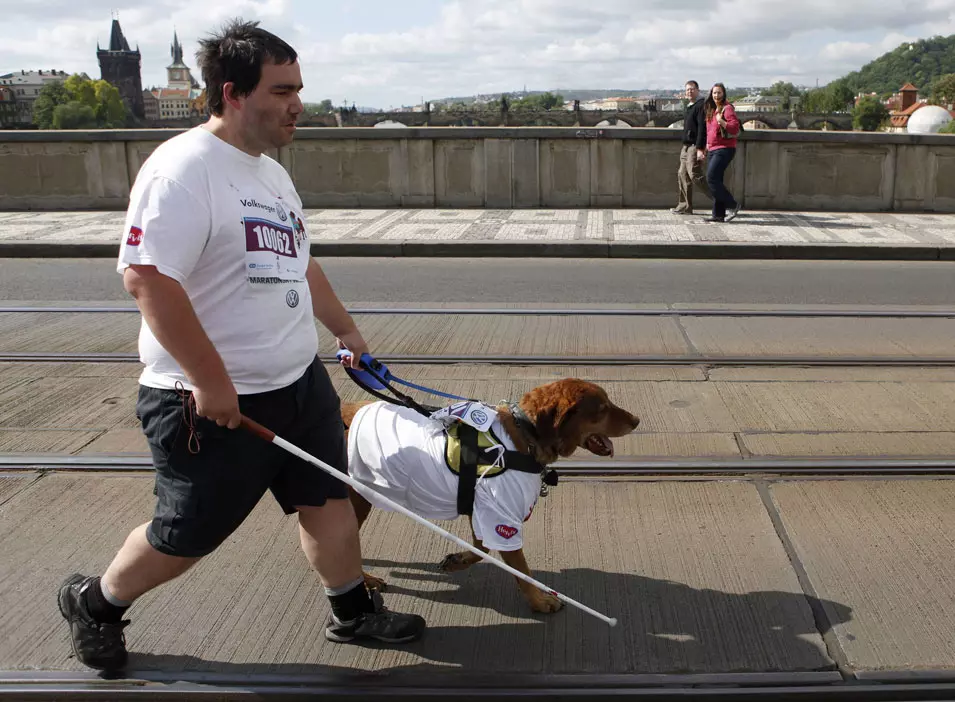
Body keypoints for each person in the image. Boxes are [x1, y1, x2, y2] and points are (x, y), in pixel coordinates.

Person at [57, 18, 426, 673]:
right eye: (282, 90)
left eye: (299, 88)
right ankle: (95, 602)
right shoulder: (183, 168)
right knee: (187, 536)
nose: (297, 104)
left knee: (327, 501)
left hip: (296, 384)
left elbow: (299, 265)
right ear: (232, 93)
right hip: (209, 403)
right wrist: (210, 380)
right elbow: (145, 278)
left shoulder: (270, 176)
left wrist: (344, 330)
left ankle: (351, 611)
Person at [670, 80, 711, 215]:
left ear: (697, 90)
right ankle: (685, 206)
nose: (689, 92)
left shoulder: (700, 105)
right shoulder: (690, 105)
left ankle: (720, 201)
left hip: (694, 146)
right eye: (687, 90)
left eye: (692, 89)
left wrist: (700, 148)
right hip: (686, 146)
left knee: (694, 175)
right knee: (682, 174)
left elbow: (702, 129)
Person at [703, 82, 742, 223]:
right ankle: (718, 215)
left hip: (725, 149)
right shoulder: (712, 109)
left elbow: (734, 127)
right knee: (717, 181)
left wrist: (722, 122)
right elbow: (710, 131)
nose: (716, 95)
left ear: (724, 94)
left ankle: (732, 204)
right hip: (714, 148)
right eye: (714, 93)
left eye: (719, 92)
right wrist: (707, 146)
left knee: (711, 178)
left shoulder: (727, 109)